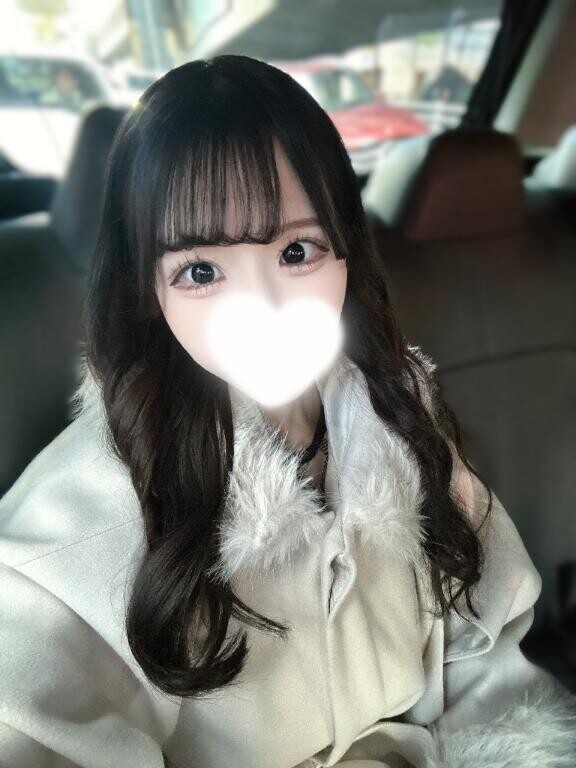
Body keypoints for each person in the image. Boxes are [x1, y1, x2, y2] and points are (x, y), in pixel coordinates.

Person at [0, 54, 575, 768]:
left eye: (297, 251)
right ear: (149, 289)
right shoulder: (70, 533)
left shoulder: (403, 424)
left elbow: (490, 656)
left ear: (346, 255)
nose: (264, 305)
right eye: (201, 271)